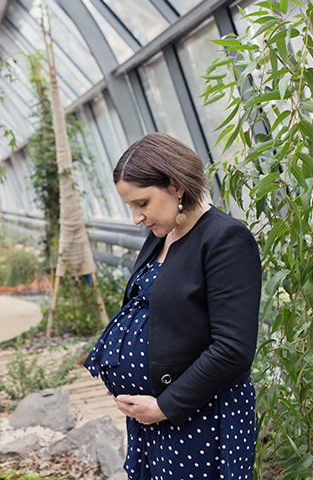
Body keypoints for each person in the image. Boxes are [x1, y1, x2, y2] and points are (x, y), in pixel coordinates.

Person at [84, 132, 261, 480]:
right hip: (155, 418)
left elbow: (233, 349)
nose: (137, 217)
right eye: (130, 207)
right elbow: (150, 310)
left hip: (203, 419)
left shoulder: (225, 239)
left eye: (142, 203)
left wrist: (164, 406)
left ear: (176, 186)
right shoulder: (162, 235)